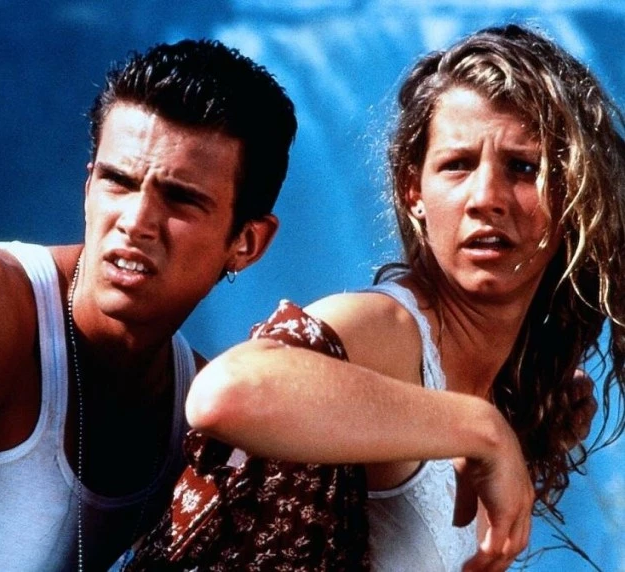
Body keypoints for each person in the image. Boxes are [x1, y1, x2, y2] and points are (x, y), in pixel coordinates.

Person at [177, 24, 624, 571]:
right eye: (457, 165)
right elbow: (225, 393)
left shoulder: (504, 391)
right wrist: (483, 430)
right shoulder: (385, 328)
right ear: (414, 192)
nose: (486, 198)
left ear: (574, 196)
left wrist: (518, 436)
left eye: (524, 168)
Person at [0, 39, 296, 570]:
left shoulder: (198, 414)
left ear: (246, 242)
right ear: (87, 189)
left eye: (180, 199)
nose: (136, 222)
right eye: (117, 182)